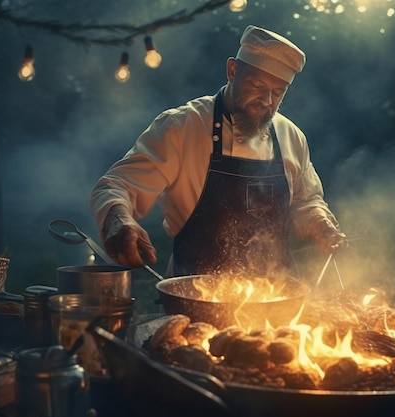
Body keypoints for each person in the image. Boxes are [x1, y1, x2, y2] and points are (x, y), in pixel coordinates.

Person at [90, 25, 348, 278]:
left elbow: (307, 200)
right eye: (257, 86)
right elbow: (115, 186)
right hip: (195, 296)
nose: (267, 100)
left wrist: (321, 224)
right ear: (232, 71)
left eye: (278, 92)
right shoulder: (182, 127)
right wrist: (118, 218)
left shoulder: (291, 137)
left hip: (278, 301)